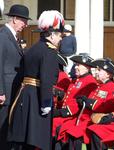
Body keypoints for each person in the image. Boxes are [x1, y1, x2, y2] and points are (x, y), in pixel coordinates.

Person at [8, 10, 64, 150]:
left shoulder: (33, 49)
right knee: (36, 140)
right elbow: (46, 79)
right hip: (38, 97)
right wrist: (46, 102)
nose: (60, 38)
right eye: (59, 35)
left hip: (25, 94)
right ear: (51, 35)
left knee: (24, 139)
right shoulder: (50, 51)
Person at [56, 58, 114, 150]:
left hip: (98, 121)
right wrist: (83, 101)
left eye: (99, 70)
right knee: (70, 133)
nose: (96, 72)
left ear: (108, 74)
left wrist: (88, 102)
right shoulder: (100, 86)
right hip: (87, 119)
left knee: (74, 135)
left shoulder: (112, 88)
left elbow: (108, 107)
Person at [0, 4, 31, 150]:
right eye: (24, 21)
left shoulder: (12, 36)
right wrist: (0, 91)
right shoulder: (3, 36)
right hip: (4, 92)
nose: (26, 24)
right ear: (15, 19)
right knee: (2, 128)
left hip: (12, 90)